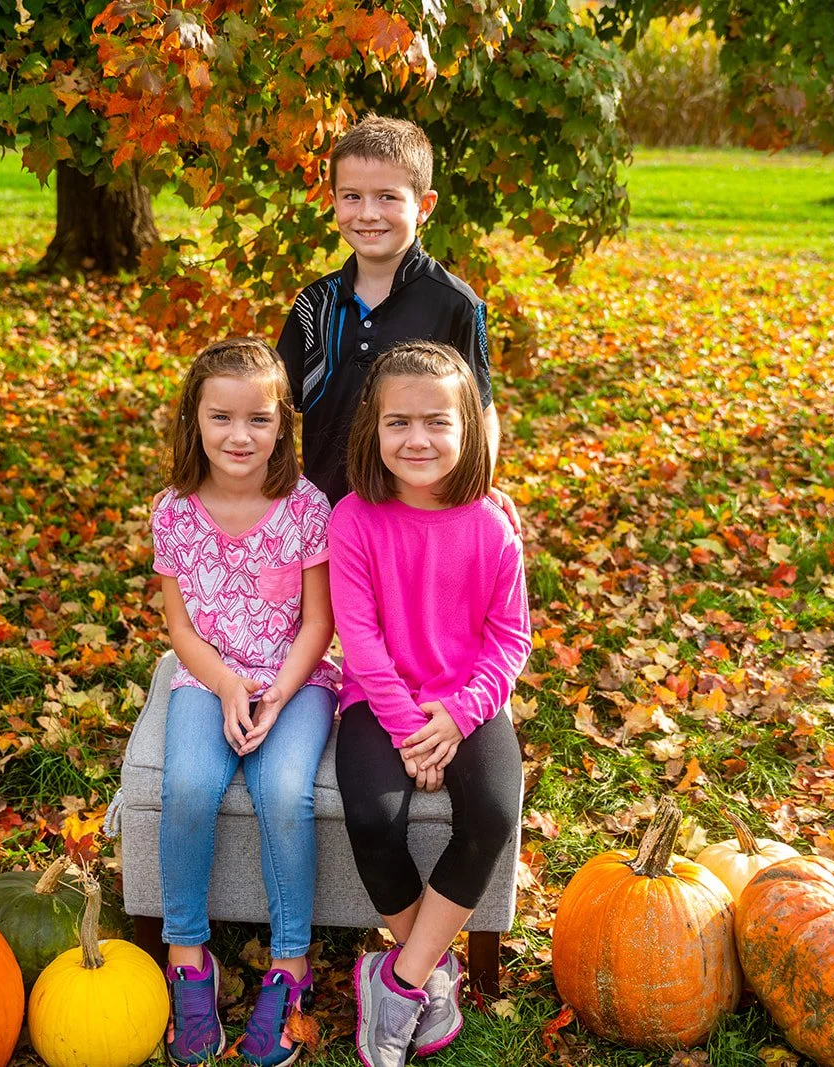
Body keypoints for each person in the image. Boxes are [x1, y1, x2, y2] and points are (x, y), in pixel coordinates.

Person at [327, 342, 531, 1067]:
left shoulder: (489, 526)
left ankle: (400, 978)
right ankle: (432, 971)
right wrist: (412, 729)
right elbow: (360, 637)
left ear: (470, 428)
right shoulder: (354, 519)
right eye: (399, 423)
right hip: (379, 702)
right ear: (372, 431)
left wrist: (460, 714)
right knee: (372, 816)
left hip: (470, 703)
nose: (418, 439)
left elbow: (510, 639)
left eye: (438, 422)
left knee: (495, 814)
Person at [150, 337, 340, 1067]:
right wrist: (229, 686)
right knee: (191, 784)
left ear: (282, 424)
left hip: (296, 677)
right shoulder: (173, 513)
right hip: (210, 676)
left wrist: (276, 692)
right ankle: (188, 954)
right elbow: (181, 629)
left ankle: (290, 965)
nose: (239, 435)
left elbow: (319, 624)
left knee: (283, 787)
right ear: (194, 421)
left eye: (258, 419)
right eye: (221, 417)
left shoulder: (303, 507)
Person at [276, 114, 519, 531]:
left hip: (421, 522)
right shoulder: (313, 305)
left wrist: (478, 486)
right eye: (352, 197)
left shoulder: (455, 304)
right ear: (333, 200)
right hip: (325, 522)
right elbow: (271, 409)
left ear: (424, 207)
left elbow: (480, 411)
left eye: (387, 197)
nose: (368, 214)